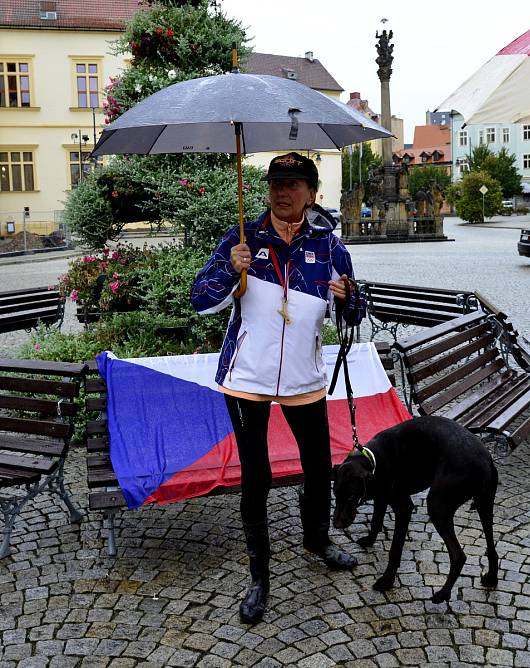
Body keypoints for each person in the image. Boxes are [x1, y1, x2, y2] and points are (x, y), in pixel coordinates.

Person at [190, 152, 364, 624]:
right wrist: (230, 268)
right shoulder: (243, 239)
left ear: (311, 193)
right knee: (257, 475)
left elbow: (354, 314)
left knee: (317, 465)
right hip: (247, 379)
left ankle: (317, 539)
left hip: (304, 380)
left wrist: (350, 299)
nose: (281, 191)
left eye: (293, 183)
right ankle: (259, 575)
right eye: (275, 183)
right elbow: (199, 299)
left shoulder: (329, 246)